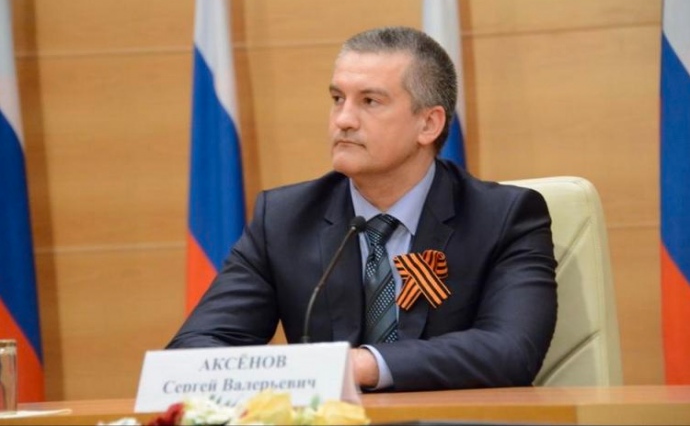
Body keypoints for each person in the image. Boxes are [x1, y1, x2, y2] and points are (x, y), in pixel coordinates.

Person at [168, 26, 558, 392]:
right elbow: (194, 350)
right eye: (337, 99)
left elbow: (511, 350)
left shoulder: (504, 217)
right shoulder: (284, 219)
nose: (343, 120)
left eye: (370, 101)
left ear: (428, 124)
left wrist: (356, 366)